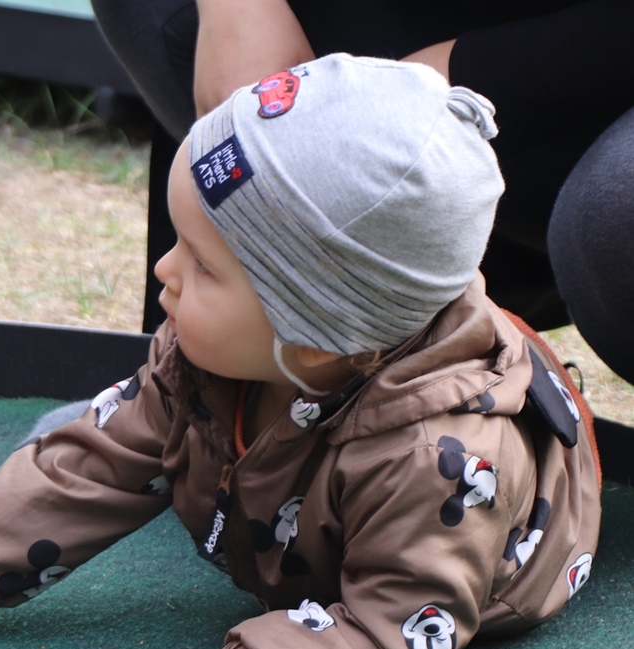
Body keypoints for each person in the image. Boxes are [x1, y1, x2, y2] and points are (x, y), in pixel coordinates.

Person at [0, 55, 602, 649]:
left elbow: (392, 635)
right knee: (155, 438)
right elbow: (96, 463)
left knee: (375, 534)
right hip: (316, 446)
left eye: (203, 265)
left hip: (489, 553)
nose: (164, 269)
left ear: (311, 336)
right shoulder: (214, 357)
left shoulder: (439, 459)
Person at [92, 0, 634, 385]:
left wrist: (413, 94)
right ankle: (224, 368)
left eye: (199, 264)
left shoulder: (414, 473)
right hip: (389, 37)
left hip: (589, 86)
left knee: (616, 210)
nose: (162, 269)